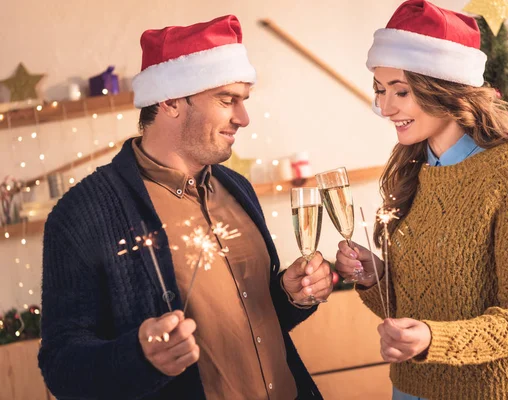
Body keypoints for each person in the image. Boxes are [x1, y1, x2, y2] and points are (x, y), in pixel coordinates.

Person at [38, 15, 333, 400]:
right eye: (227, 100)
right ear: (171, 100)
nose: (243, 118)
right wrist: (140, 358)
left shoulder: (236, 187)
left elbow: (250, 324)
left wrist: (289, 295)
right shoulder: (83, 214)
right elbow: (61, 367)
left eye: (243, 101)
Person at [334, 1, 508, 399]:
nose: (386, 108)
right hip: (410, 390)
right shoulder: (411, 167)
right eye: (380, 91)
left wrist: (431, 338)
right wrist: (375, 278)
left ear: (441, 87)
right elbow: (419, 305)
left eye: (401, 91)